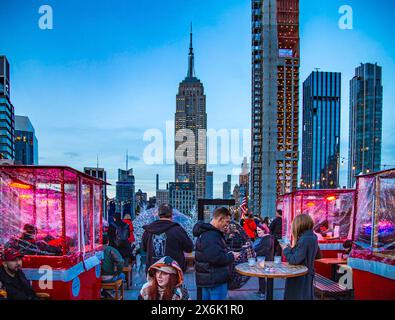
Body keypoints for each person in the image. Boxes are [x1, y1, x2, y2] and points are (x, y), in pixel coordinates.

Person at [193, 207, 240, 300]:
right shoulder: (211, 235)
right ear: (220, 219)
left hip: (208, 279)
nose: (227, 225)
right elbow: (216, 258)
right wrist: (232, 256)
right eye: (226, 222)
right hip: (215, 280)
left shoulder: (206, 233)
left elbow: (212, 254)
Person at [142, 204, 193, 273]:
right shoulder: (178, 230)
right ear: (172, 215)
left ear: (158, 214)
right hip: (173, 272)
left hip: (153, 270)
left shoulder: (148, 231)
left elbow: (144, 248)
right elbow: (189, 248)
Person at [280, 214, 319, 300]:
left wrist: (285, 249)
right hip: (308, 274)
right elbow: (317, 255)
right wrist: (291, 248)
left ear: (299, 225)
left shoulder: (304, 239)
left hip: (300, 276)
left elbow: (294, 260)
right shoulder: (313, 236)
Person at [253, 224, 274, 298]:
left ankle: (264, 293)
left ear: (264, 230)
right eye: (257, 230)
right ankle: (261, 291)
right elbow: (259, 247)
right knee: (260, 276)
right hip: (262, 260)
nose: (257, 232)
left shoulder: (267, 238)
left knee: (266, 277)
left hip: (267, 261)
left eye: (259, 230)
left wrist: (256, 253)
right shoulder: (264, 238)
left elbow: (265, 250)